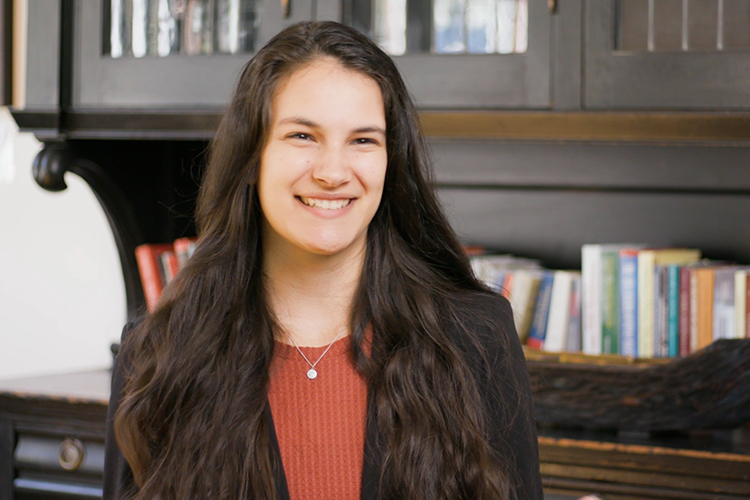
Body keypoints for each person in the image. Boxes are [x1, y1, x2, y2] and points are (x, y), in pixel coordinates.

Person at [104, 21, 543, 500]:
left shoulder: (475, 338)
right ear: (252, 157)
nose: (333, 172)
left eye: (363, 141)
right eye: (302, 136)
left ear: (390, 163)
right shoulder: (158, 354)